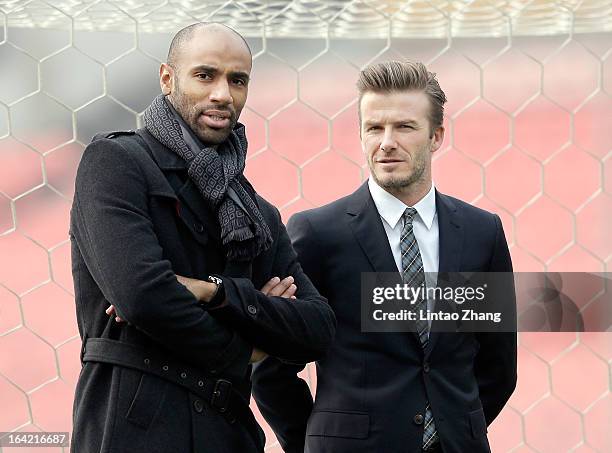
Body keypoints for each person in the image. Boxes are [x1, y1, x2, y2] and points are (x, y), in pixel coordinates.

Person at [69, 22, 335, 453]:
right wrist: (249, 348)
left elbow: (317, 328)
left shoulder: (256, 212)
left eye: (238, 80)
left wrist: (215, 293)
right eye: (205, 75)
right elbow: (143, 296)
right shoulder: (116, 163)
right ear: (167, 79)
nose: (223, 95)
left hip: (228, 434)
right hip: (133, 430)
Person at [252, 61, 517, 453]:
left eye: (404, 127)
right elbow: (273, 366)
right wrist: (317, 441)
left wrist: (453, 430)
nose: (387, 141)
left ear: (436, 136)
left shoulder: (482, 233)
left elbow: (498, 366)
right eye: (374, 128)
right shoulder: (319, 234)